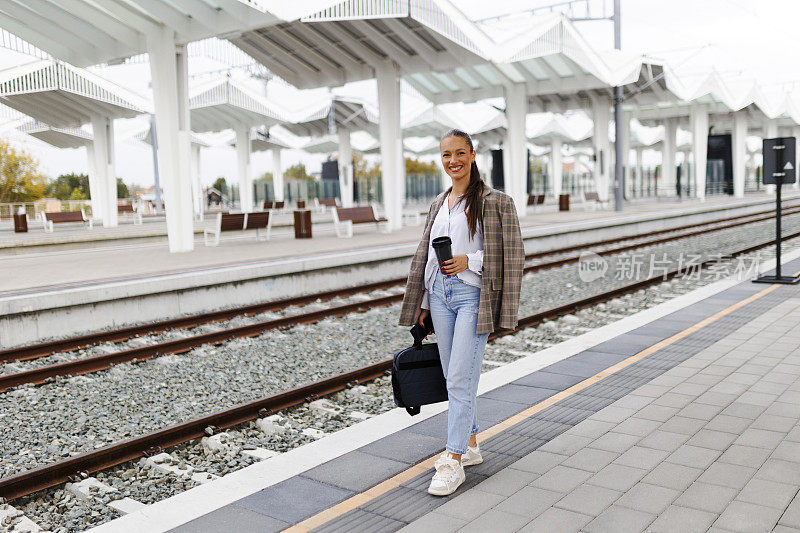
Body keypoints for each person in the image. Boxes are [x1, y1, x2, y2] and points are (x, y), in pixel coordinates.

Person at [398, 129, 524, 496]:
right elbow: (426, 258)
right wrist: (423, 303)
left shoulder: (494, 201)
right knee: (458, 376)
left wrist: (470, 259)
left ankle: (452, 459)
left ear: (472, 155)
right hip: (439, 295)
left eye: (459, 153)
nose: (452, 161)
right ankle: (470, 446)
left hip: (472, 295)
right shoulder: (440, 203)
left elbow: (512, 255)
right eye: (446, 155)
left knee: (459, 378)